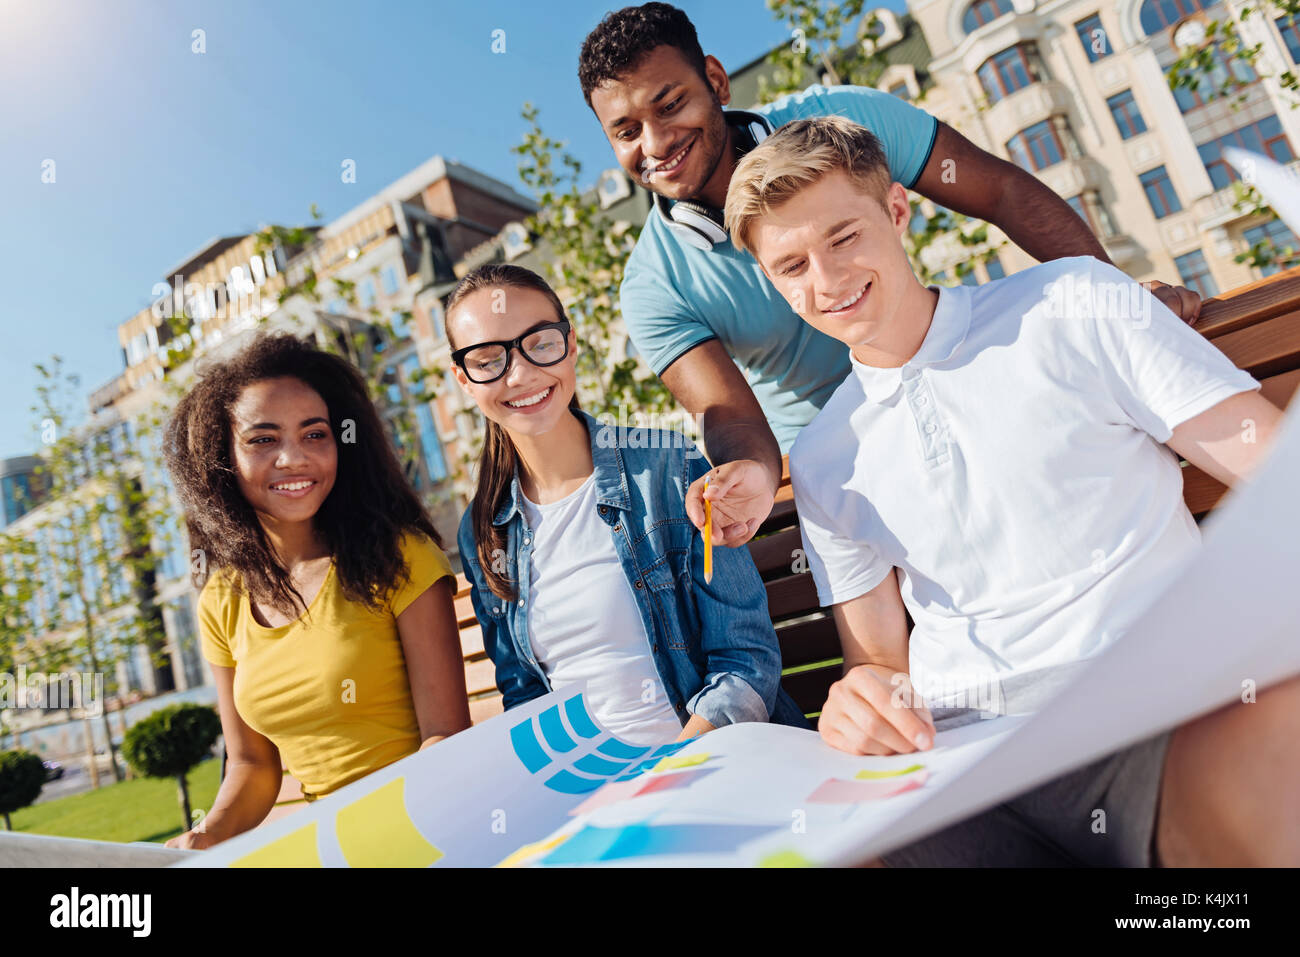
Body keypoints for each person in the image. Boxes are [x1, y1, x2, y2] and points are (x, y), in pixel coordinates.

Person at [725, 114, 1299, 866]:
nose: (826, 281)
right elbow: (879, 666)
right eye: (791, 266)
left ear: (897, 211)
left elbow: (1272, 469)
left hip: (1150, 704)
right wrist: (858, 704)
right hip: (957, 757)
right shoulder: (829, 454)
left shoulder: (1074, 303)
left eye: (843, 238)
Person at [578, 2, 1205, 548]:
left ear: (715, 80)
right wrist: (749, 473)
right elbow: (731, 415)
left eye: (670, 104)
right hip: (846, 464)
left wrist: (1118, 299)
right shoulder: (651, 285)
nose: (655, 142)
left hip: (952, 384)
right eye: (626, 131)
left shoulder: (846, 122)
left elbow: (1001, 194)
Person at [447, 263, 808, 745]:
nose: (520, 373)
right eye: (488, 359)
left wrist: (670, 771)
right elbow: (525, 694)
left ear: (570, 344)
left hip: (713, 761)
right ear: (463, 378)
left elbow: (745, 658)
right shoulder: (483, 531)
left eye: (540, 343)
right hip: (591, 791)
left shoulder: (666, 468)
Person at [162, 333, 470, 849]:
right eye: (263, 439)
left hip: (425, 828)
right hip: (331, 846)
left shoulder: (399, 557)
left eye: (315, 434)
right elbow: (253, 764)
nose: (293, 458)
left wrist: (381, 837)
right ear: (221, 461)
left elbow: (446, 737)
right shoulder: (220, 599)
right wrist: (207, 834)